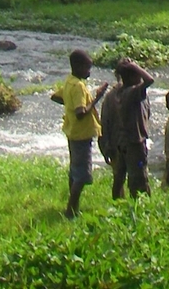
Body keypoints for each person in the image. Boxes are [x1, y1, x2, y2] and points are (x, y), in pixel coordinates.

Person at [58, 49, 108, 219]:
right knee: (82, 174)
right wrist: (97, 98)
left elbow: (56, 97)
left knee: (74, 171)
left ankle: (73, 207)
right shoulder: (78, 86)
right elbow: (81, 112)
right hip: (81, 134)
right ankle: (71, 210)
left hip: (72, 132)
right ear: (78, 67)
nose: (89, 72)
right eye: (87, 68)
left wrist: (69, 105)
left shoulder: (69, 81)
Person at [113, 57, 153, 197]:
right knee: (139, 178)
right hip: (135, 143)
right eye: (137, 73)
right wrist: (135, 66)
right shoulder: (132, 92)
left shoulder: (121, 91)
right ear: (131, 77)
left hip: (124, 141)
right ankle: (140, 206)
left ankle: (118, 202)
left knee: (120, 175)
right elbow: (150, 80)